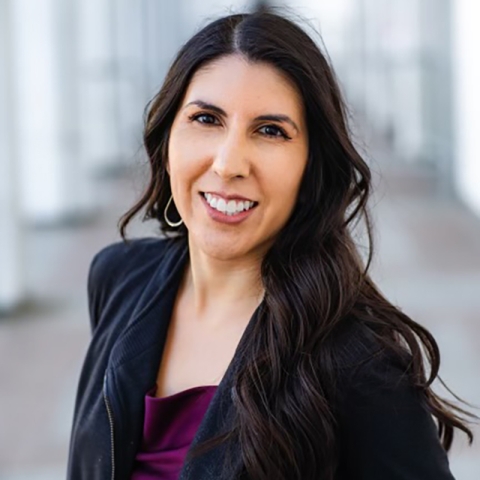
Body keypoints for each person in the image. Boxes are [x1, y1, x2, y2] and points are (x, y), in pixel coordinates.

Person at [66, 10, 476, 480]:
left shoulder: (360, 362)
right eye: (206, 118)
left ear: (310, 168)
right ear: (167, 138)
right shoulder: (118, 278)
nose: (228, 163)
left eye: (270, 131)